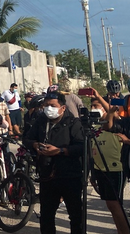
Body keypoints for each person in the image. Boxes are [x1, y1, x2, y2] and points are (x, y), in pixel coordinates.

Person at [23, 91, 84, 234]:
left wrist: (59, 151)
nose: (48, 109)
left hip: (70, 176)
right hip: (47, 175)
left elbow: (81, 147)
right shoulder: (41, 121)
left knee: (76, 216)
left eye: (52, 105)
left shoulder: (73, 123)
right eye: (46, 105)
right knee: (46, 216)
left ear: (63, 108)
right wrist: (35, 145)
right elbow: (26, 139)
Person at [90, 99, 130, 234]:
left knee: (115, 204)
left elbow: (110, 122)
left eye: (97, 106)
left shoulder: (115, 121)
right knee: (110, 205)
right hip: (100, 168)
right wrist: (92, 173)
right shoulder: (94, 126)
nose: (93, 108)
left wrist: (110, 110)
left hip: (115, 169)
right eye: (92, 106)